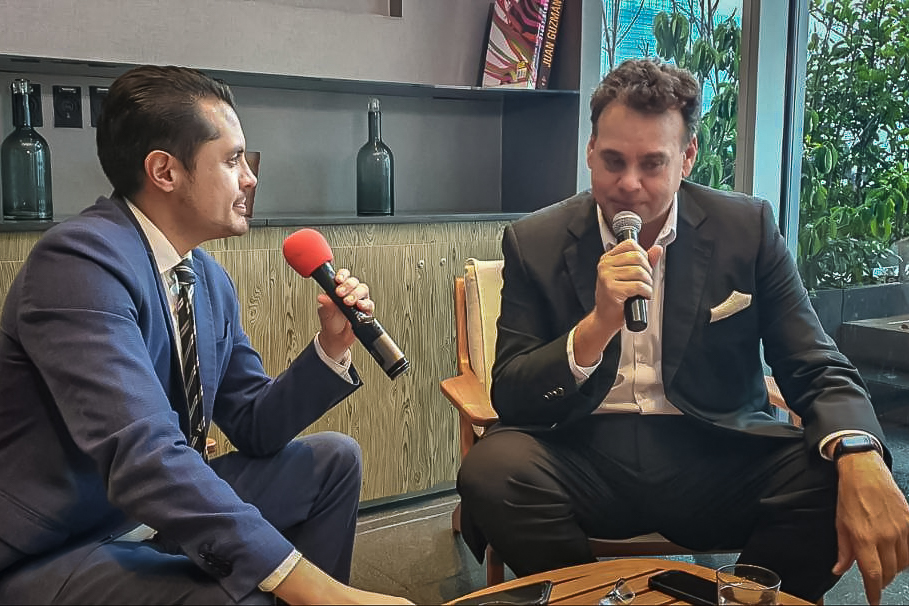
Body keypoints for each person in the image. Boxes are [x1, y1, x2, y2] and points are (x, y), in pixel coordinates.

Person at [456, 57, 909, 604]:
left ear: (687, 156)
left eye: (652, 163)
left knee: (832, 475)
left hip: (715, 451)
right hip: (581, 452)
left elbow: (814, 362)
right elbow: (511, 394)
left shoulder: (747, 228)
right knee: (492, 470)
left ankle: (745, 599)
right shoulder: (535, 240)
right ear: (590, 150)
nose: (629, 184)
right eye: (613, 160)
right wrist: (597, 326)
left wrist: (859, 450)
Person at [0, 65, 410, 605]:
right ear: (164, 171)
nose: (250, 178)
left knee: (335, 460)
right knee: (247, 597)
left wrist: (332, 346)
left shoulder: (205, 278)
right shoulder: (79, 262)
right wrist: (319, 590)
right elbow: (144, 454)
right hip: (66, 541)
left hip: (152, 513)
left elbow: (256, 425)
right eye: (233, 159)